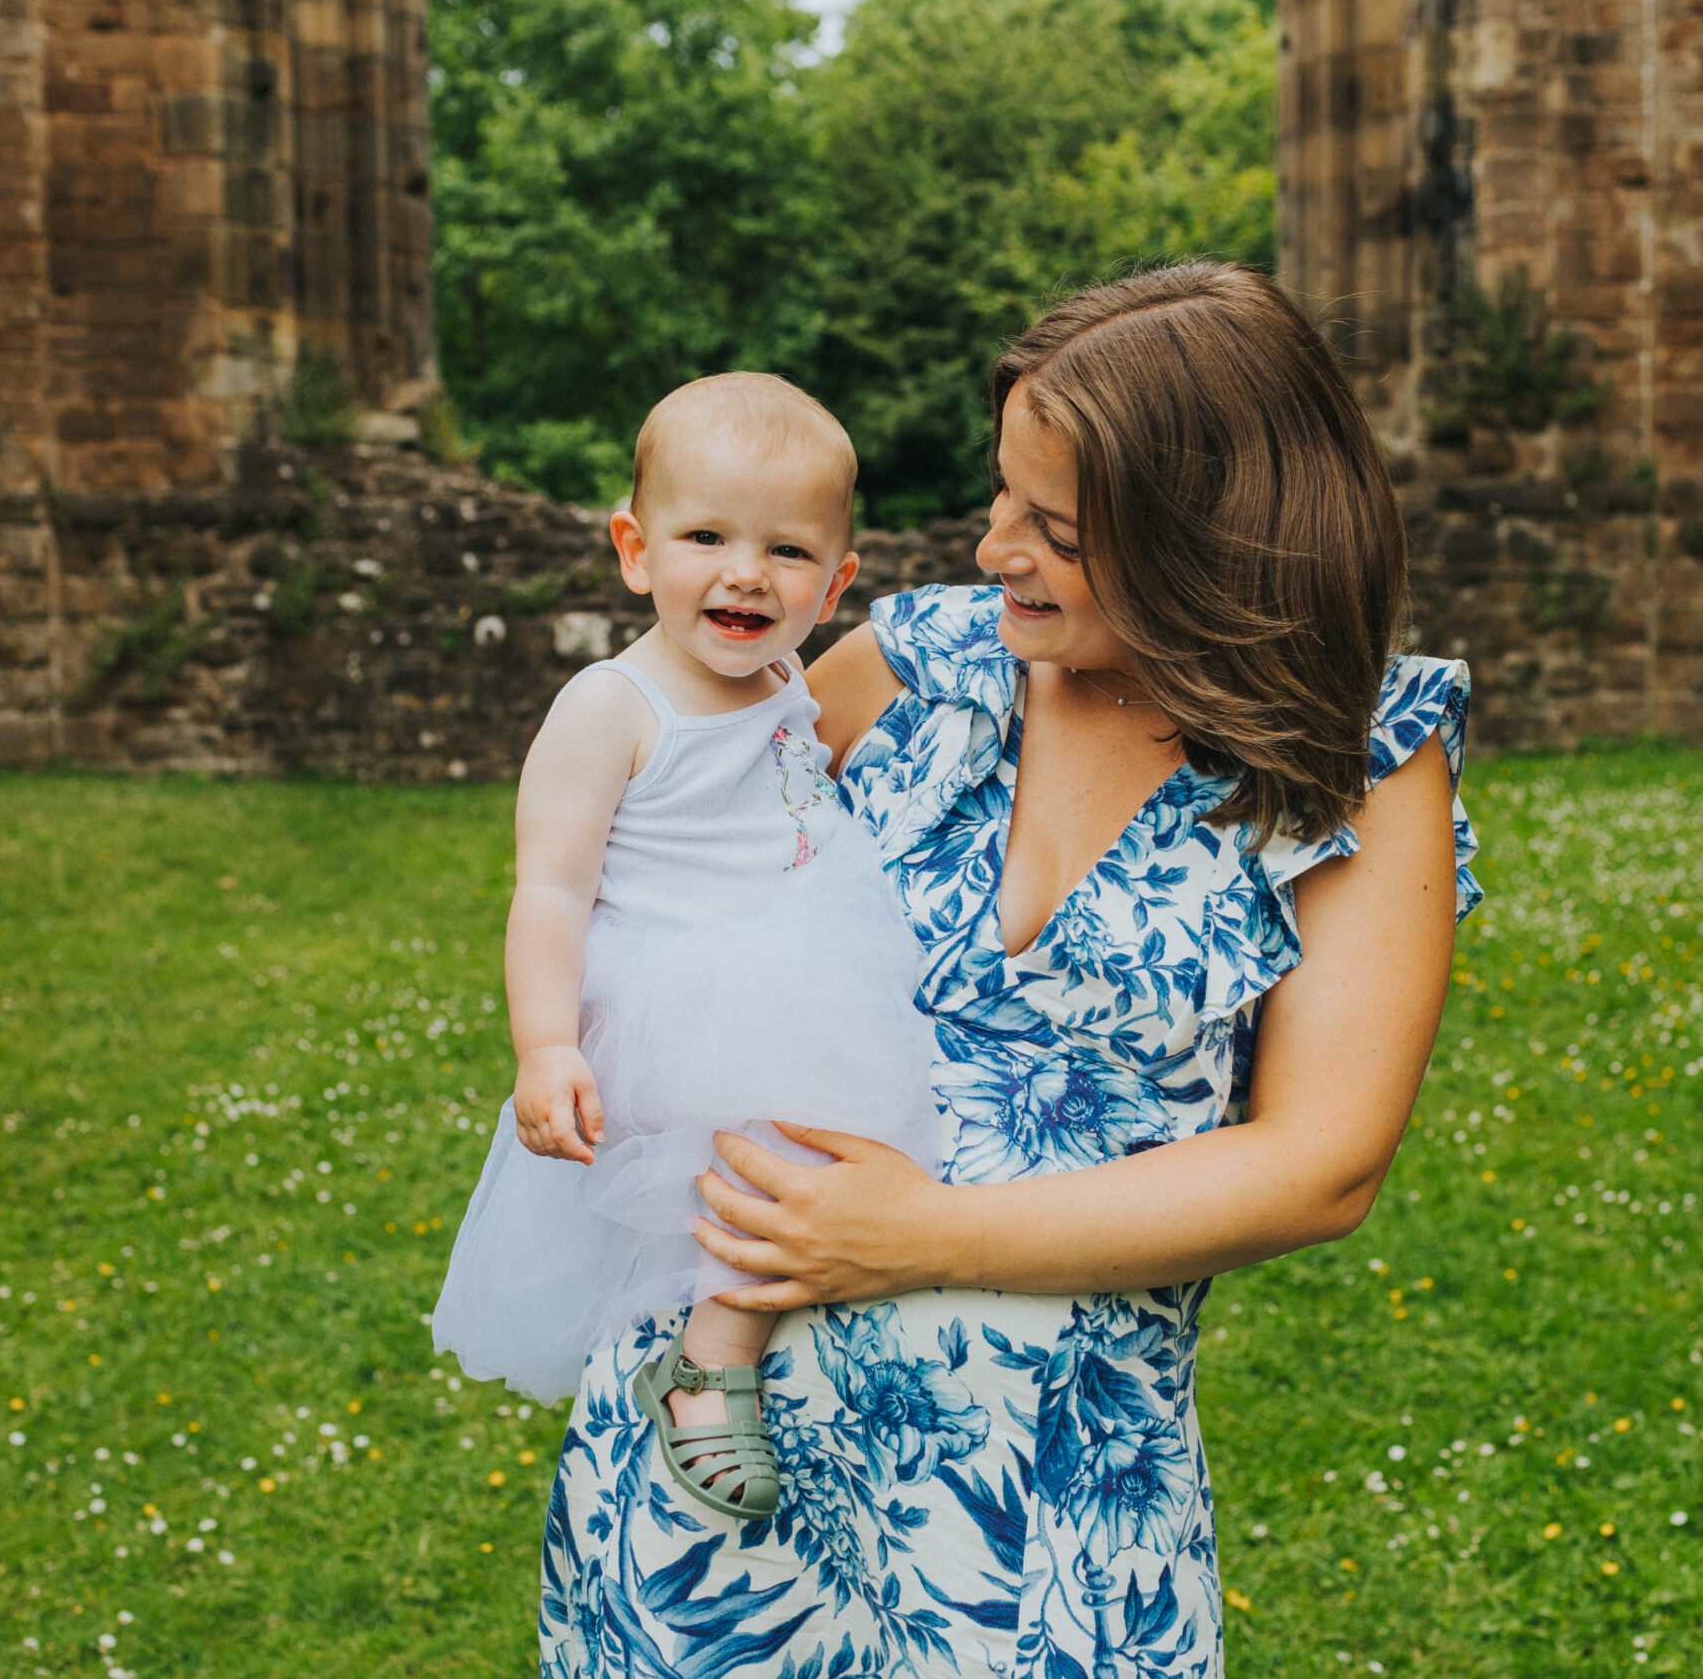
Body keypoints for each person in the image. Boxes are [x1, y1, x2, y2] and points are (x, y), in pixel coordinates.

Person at [536, 263, 1481, 1678]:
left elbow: (1322, 1164)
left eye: (1051, 527)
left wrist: (926, 1234)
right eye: (1001, 499)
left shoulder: (1352, 769)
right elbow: (650, 831)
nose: (990, 551)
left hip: (1035, 1513)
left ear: (1207, 541)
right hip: (710, 1461)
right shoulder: (915, 665)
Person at [432, 372, 942, 1522]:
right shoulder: (611, 707)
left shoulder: (785, 680)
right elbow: (552, 891)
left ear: (838, 580)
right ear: (634, 546)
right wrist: (545, 1044)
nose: (745, 573)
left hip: (817, 946)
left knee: (843, 1139)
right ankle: (713, 1364)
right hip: (685, 976)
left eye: (788, 550)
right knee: (770, 1157)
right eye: (704, 536)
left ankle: (797, 1337)